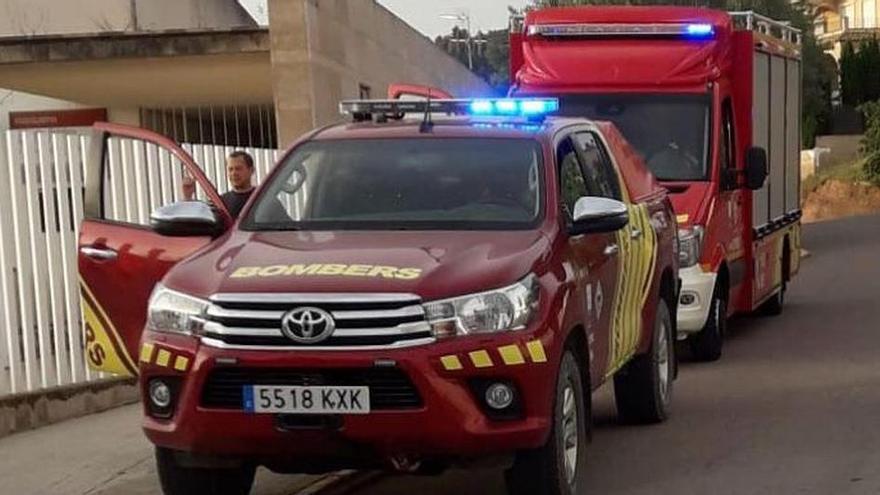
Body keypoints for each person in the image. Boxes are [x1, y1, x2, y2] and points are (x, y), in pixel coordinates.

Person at [182, 151, 287, 221]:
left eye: (238, 169)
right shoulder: (220, 203)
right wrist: (188, 197)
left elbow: (286, 230)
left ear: (251, 170)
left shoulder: (266, 201)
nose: (234, 173)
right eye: (230, 169)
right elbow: (196, 223)